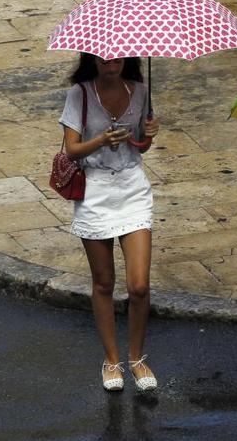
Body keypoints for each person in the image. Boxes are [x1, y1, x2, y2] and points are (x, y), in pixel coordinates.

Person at [59, 53, 160, 392]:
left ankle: (137, 358)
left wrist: (148, 134)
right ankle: (112, 360)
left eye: (116, 61)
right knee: (103, 282)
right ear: (93, 62)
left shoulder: (141, 91)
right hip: (95, 192)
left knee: (139, 286)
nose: (110, 66)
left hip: (132, 189)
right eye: (103, 61)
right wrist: (101, 140)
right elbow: (70, 150)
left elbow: (140, 147)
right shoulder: (80, 95)